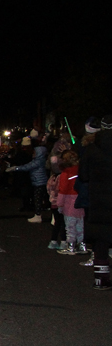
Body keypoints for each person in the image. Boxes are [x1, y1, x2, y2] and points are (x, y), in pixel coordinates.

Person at [79, 116, 112, 290]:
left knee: (101, 240)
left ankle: (101, 279)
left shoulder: (91, 150)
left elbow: (83, 175)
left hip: (99, 200)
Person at [7, 134, 48, 223]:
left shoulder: (38, 159)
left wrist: (15, 168)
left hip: (39, 181)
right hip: (38, 180)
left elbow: (28, 166)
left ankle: (38, 215)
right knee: (40, 198)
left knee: (38, 199)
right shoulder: (38, 157)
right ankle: (43, 215)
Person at [55, 149, 88, 255]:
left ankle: (71, 246)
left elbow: (63, 189)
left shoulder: (66, 173)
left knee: (70, 226)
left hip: (69, 202)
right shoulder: (80, 170)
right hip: (80, 200)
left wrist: (59, 204)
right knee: (80, 225)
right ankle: (82, 245)